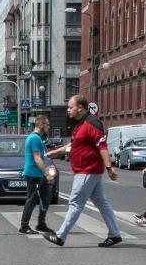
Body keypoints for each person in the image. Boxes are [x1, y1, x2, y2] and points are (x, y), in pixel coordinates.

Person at [44, 94, 123, 247]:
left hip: (87, 170)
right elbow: (74, 145)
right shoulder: (80, 124)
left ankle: (60, 236)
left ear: (80, 108)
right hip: (87, 171)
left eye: (70, 107)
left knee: (74, 203)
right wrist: (56, 152)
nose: (68, 110)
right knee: (102, 202)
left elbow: (102, 146)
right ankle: (114, 234)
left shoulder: (92, 124)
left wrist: (109, 167)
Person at [19, 112, 54, 235]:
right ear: (41, 125)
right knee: (32, 199)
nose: (49, 127)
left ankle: (41, 224)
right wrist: (47, 174)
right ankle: (24, 226)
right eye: (47, 125)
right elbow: (37, 158)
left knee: (46, 196)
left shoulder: (38, 138)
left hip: (38, 174)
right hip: (33, 174)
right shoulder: (34, 138)